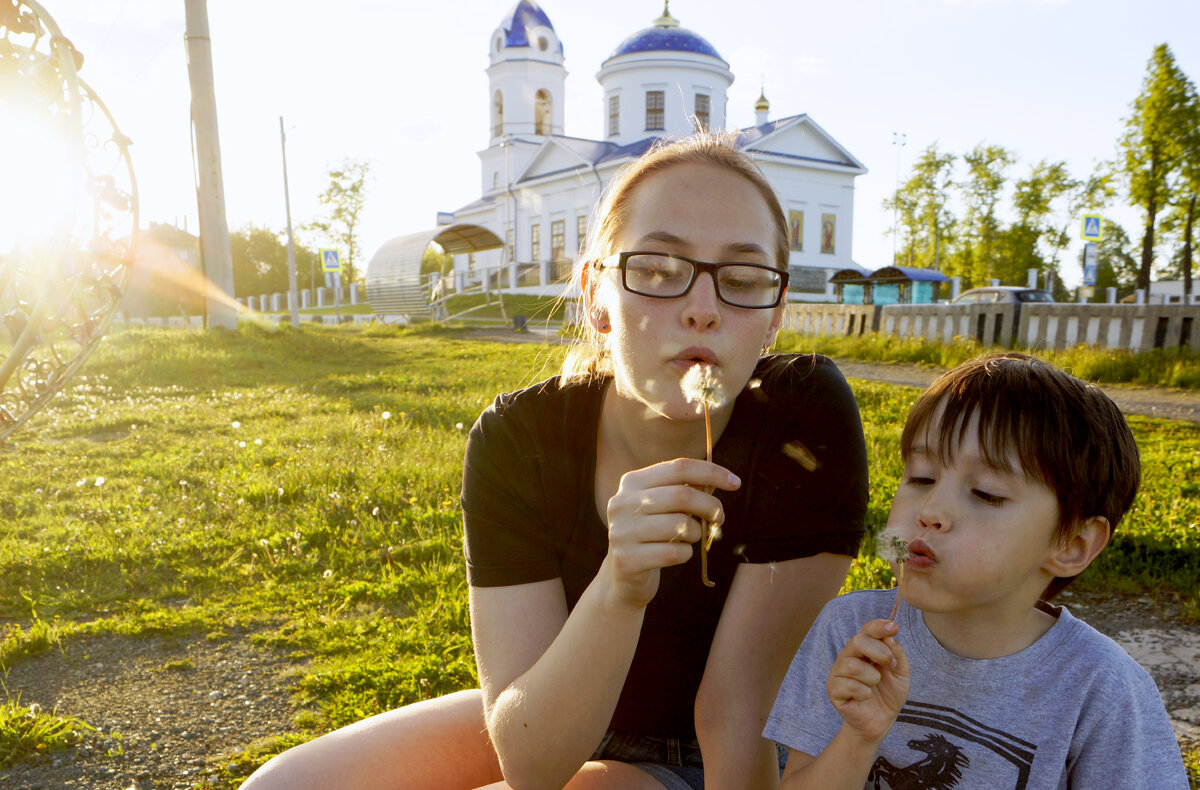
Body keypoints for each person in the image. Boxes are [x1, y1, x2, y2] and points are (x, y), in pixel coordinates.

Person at [240, 132, 869, 790]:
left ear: (774, 316)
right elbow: (531, 759)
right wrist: (619, 588)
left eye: (742, 280)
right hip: (568, 707)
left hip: (709, 756)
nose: (703, 310)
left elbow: (733, 713)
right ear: (597, 294)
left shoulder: (802, 417)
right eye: (657, 269)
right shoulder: (520, 440)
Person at [765, 352, 1190, 789]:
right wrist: (858, 737)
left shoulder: (1102, 690)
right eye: (922, 478)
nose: (931, 511)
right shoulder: (851, 632)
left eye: (986, 494)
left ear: (1072, 544)